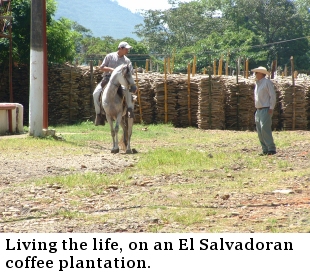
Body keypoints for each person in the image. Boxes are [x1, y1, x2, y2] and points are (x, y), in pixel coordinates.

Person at [93, 41, 133, 126]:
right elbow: (102, 67)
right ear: (121, 48)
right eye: (126, 49)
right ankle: (99, 114)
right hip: (107, 78)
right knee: (96, 93)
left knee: (127, 91)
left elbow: (130, 72)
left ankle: (129, 109)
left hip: (120, 81)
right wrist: (112, 70)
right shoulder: (110, 56)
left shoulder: (127, 61)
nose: (127, 50)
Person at [251, 66, 277, 155]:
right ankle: (265, 149)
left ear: (261, 73)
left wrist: (271, 108)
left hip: (266, 108)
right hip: (258, 110)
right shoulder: (257, 83)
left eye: (257, 73)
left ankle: (271, 148)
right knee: (259, 130)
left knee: (264, 128)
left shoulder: (267, 82)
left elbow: (272, 96)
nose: (255, 74)